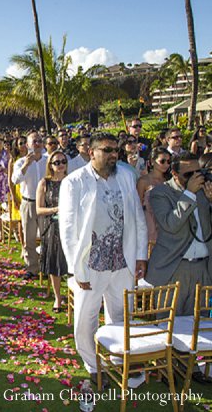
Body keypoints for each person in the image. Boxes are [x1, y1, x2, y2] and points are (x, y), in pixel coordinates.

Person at [58, 132, 148, 386]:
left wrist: (141, 255)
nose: (113, 154)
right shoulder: (74, 182)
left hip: (123, 261)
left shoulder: (127, 176)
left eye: (115, 150)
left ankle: (120, 359)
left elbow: (137, 218)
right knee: (85, 318)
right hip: (90, 264)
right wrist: (76, 270)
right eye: (107, 150)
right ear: (92, 152)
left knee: (121, 315)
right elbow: (68, 229)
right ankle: (93, 365)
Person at [146, 154, 212, 317]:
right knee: (167, 326)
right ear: (174, 173)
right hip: (173, 268)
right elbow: (170, 224)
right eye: (189, 174)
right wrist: (189, 193)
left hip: (203, 268)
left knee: (199, 325)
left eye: (198, 172)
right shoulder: (160, 192)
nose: (195, 177)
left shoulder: (205, 189)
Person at [36, 150, 68, 313]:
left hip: (70, 227)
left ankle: (75, 294)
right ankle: (57, 297)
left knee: (72, 263)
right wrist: (56, 209)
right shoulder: (44, 183)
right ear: (50, 165)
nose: (61, 165)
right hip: (52, 227)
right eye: (57, 162)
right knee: (54, 263)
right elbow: (39, 209)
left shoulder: (72, 181)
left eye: (63, 161)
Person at [12, 132, 47, 279]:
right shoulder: (21, 162)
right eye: (34, 141)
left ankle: (46, 267)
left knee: (47, 236)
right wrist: (26, 165)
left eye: (40, 141)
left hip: (45, 203)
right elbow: (15, 180)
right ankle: (32, 268)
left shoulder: (48, 160)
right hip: (28, 203)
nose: (37, 144)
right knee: (29, 237)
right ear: (27, 145)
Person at [137, 147, 171, 247]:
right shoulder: (143, 181)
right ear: (152, 161)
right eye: (162, 161)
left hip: (167, 222)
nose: (166, 165)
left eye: (169, 161)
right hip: (149, 223)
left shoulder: (170, 179)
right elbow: (137, 205)